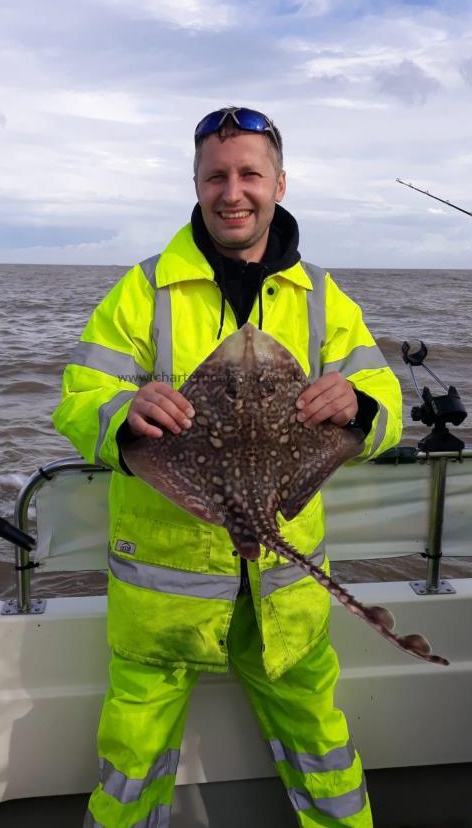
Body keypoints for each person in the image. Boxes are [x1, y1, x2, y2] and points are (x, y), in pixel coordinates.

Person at [53, 106, 403, 827]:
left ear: (279, 182)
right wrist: (122, 414)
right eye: (217, 175)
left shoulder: (321, 297)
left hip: (286, 594)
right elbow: (76, 397)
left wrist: (361, 406)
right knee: (132, 758)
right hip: (164, 596)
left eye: (249, 174)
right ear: (195, 183)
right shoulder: (143, 290)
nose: (232, 191)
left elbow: (386, 400)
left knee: (321, 746)